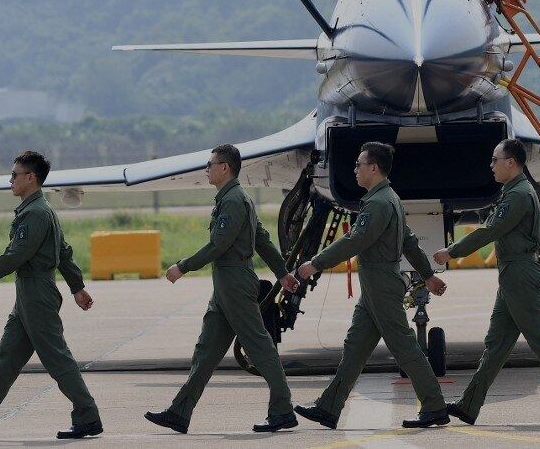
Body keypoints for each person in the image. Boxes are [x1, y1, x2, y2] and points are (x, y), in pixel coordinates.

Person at [432, 138, 540, 425]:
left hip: (519, 274)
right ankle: (469, 405)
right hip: (512, 276)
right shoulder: (521, 192)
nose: (491, 165)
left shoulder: (518, 195)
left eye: (495, 160)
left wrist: (451, 252)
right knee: (496, 345)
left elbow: (491, 231)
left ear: (510, 163)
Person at [0, 151, 102, 441]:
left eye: (15, 174)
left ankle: (88, 416)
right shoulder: (40, 210)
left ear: (31, 178)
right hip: (29, 294)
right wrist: (77, 288)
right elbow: (64, 253)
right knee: (7, 358)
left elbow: (18, 254)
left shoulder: (36, 213)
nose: (11, 179)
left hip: (36, 293)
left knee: (57, 358)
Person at [145, 144, 301, 434]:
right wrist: (281, 273)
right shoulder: (234, 198)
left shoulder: (232, 200)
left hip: (234, 281)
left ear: (224, 168)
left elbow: (219, 245)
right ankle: (179, 412)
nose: (207, 169)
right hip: (226, 284)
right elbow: (263, 240)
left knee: (258, 344)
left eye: (210, 164)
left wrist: (183, 267)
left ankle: (283, 409)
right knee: (206, 350)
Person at [295, 142, 450, 430]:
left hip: (380, 283)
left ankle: (434, 406)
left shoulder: (379, 203)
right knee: (355, 347)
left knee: (404, 347)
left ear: (374, 168)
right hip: (377, 284)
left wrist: (315, 263)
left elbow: (355, 241)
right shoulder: (390, 198)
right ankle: (328, 408)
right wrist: (428, 275)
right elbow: (410, 243)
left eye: (359, 164)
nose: (355, 170)